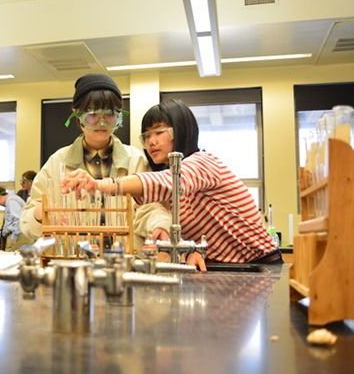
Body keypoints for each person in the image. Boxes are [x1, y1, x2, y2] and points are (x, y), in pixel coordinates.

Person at [61, 100, 282, 271]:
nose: (151, 142)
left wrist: (100, 185)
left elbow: (169, 181)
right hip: (224, 266)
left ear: (181, 129)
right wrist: (188, 252)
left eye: (159, 132)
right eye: (146, 136)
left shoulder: (203, 163)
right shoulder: (168, 187)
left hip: (260, 265)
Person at [20, 73, 170, 247]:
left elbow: (149, 208)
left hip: (123, 263)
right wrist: (40, 213)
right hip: (74, 264)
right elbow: (26, 222)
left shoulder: (135, 160)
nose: (102, 123)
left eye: (110, 115)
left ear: (119, 117)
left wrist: (160, 225)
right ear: (77, 116)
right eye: (92, 115)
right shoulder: (57, 162)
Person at [0, 186, 30, 251]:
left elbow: (18, 220)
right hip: (18, 234)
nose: (0, 205)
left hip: (19, 236)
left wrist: (14, 238)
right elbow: (10, 225)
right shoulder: (13, 200)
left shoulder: (11, 201)